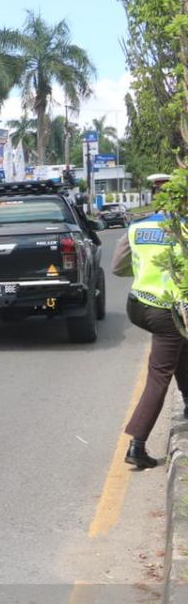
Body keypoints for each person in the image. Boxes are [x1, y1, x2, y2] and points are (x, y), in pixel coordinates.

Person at [111, 173, 188, 469]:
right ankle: (137, 444)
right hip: (168, 310)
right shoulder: (183, 229)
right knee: (159, 374)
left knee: (180, 348)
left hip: (138, 306)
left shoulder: (136, 227)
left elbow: (118, 267)